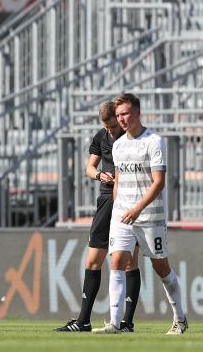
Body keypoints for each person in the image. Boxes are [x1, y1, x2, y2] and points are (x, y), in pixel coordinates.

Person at [94, 93, 188, 335]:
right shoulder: (118, 145)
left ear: (137, 113)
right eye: (118, 115)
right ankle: (115, 323)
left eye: (125, 113)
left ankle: (180, 318)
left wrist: (137, 208)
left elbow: (159, 182)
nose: (121, 119)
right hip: (123, 214)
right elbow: (119, 180)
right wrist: (118, 207)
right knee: (116, 260)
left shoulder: (154, 141)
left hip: (149, 216)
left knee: (161, 267)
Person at [54, 102, 140, 333]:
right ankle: (83, 321)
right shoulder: (101, 137)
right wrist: (100, 175)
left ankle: (126, 323)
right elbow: (89, 168)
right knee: (93, 260)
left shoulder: (134, 139)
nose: (111, 131)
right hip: (106, 201)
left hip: (130, 201)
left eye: (113, 126)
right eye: (107, 127)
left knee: (129, 261)